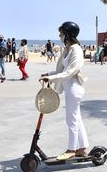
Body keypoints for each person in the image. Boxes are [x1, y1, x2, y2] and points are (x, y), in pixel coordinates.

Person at [39, 21, 89, 160]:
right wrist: (47, 74)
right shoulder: (67, 49)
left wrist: (51, 79)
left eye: (61, 33)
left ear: (67, 34)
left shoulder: (76, 50)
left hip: (74, 88)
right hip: (69, 87)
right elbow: (60, 70)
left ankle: (71, 149)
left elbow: (70, 72)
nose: (59, 35)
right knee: (77, 119)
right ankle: (82, 148)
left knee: (71, 120)